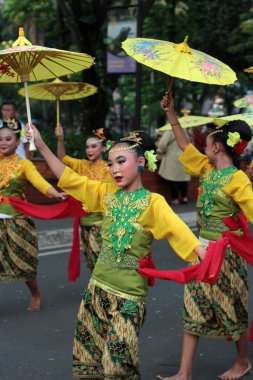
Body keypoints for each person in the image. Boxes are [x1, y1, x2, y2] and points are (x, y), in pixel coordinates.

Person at [26, 124, 206, 379]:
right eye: (111, 164)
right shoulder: (106, 192)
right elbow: (69, 178)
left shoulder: (153, 202)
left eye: (121, 161)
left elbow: (177, 228)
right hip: (97, 289)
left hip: (130, 296)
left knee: (119, 364)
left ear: (141, 162)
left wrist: (200, 250)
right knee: (89, 358)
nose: (115, 169)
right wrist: (42, 144)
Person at [158, 92, 253, 380]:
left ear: (216, 146)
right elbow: (185, 144)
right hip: (202, 250)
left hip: (228, 254)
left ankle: (242, 361)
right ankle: (184, 372)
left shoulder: (238, 179)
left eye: (208, 142)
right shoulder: (206, 169)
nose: (203, 146)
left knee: (231, 307)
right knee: (193, 304)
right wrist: (171, 113)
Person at [0, 118, 66, 311]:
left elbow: (40, 182)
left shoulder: (24, 165)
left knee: (24, 260)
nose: (3, 142)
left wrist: (55, 193)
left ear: (18, 142)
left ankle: (35, 292)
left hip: (16, 220)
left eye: (8, 139)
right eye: (0, 139)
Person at [55, 125, 113, 271]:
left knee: (100, 261)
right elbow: (62, 159)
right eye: (87, 147)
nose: (89, 150)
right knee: (91, 260)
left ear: (104, 148)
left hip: (102, 223)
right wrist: (61, 140)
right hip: (84, 222)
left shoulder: (110, 169)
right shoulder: (82, 165)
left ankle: (102, 291)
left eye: (94, 146)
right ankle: (99, 291)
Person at [157, 129, 190, 204]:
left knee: (173, 179)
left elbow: (162, 144)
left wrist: (161, 150)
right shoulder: (183, 131)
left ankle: (175, 199)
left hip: (172, 157)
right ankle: (185, 198)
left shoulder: (169, 131)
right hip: (183, 157)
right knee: (183, 179)